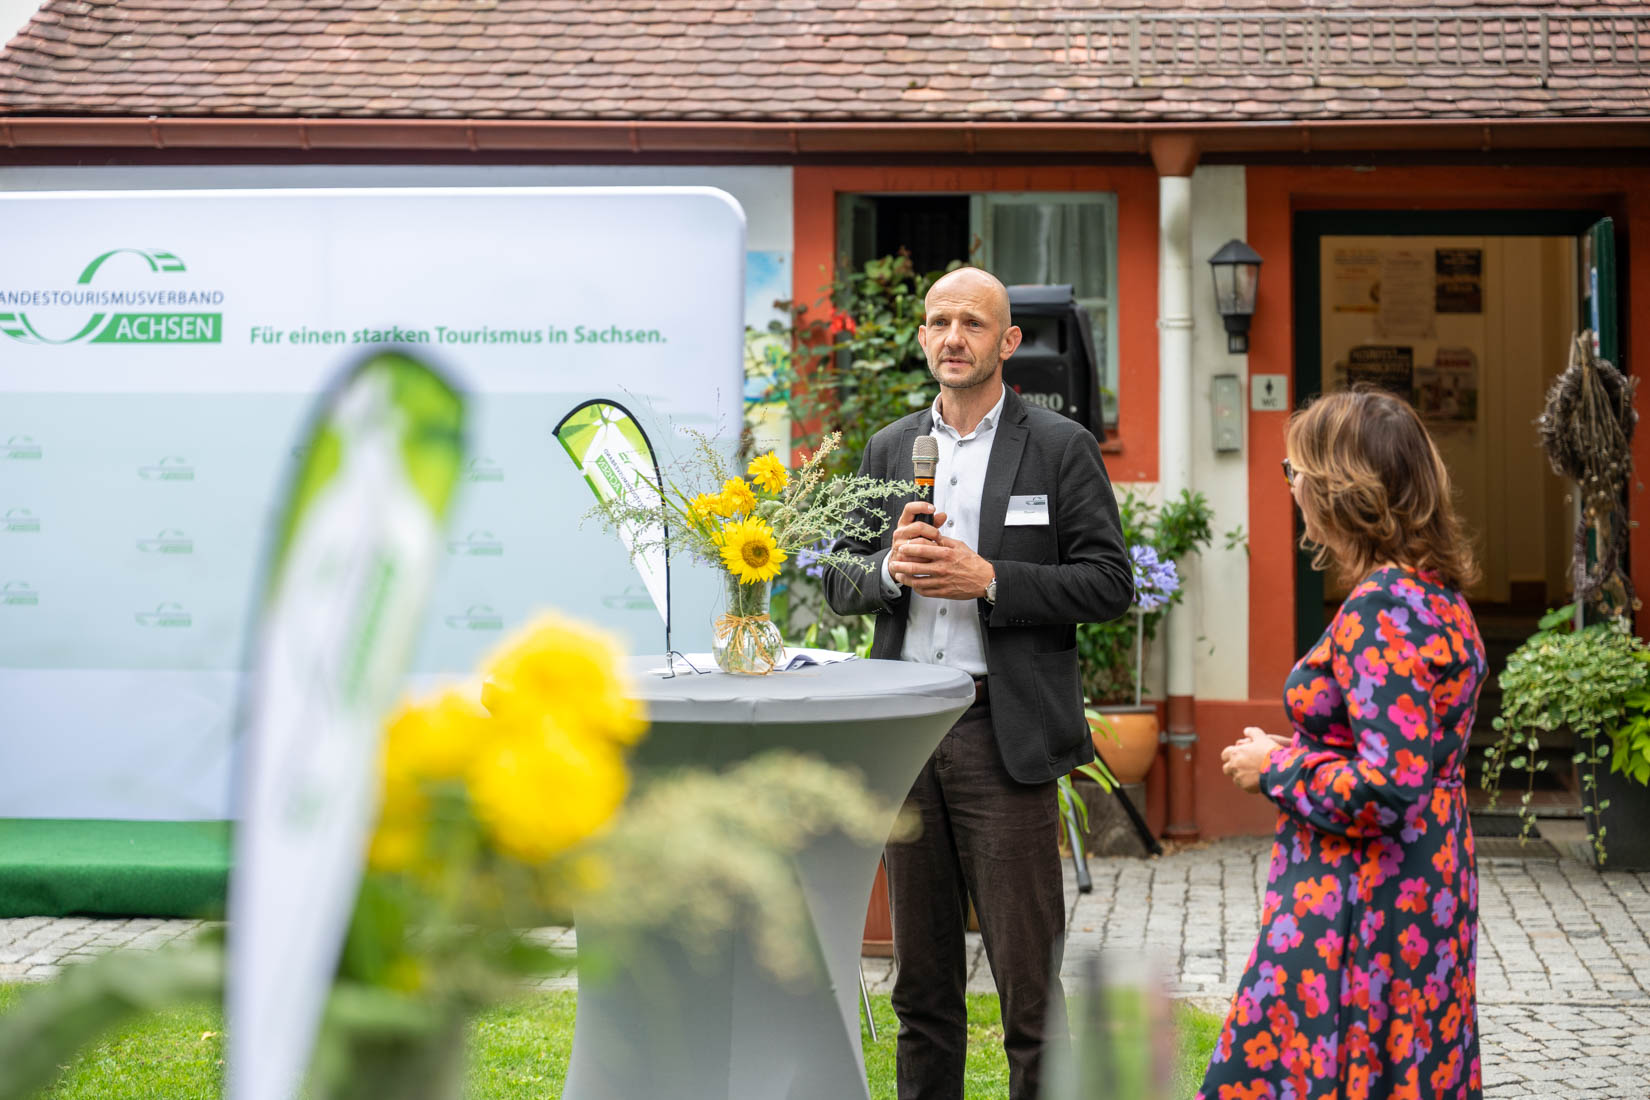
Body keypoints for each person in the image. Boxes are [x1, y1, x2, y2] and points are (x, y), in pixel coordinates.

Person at [823, 266, 1132, 1100]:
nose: (953, 338)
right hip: (905, 735)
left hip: (1004, 735)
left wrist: (991, 579)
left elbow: (1110, 583)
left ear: (1008, 342)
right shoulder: (892, 448)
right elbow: (838, 582)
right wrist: (890, 569)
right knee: (922, 989)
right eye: (939, 323)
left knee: (1029, 991)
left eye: (972, 323)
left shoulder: (1060, 446)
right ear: (922, 338)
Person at [1200, 388, 1487, 1100]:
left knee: (1329, 1063)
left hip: (1361, 897)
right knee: (1407, 1059)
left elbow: (1389, 787)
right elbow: (1399, 754)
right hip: (1426, 880)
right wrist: (1300, 750)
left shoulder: (1383, 610)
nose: (1291, 484)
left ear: (1339, 488)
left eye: (1295, 469)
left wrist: (1277, 766)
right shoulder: (1435, 594)